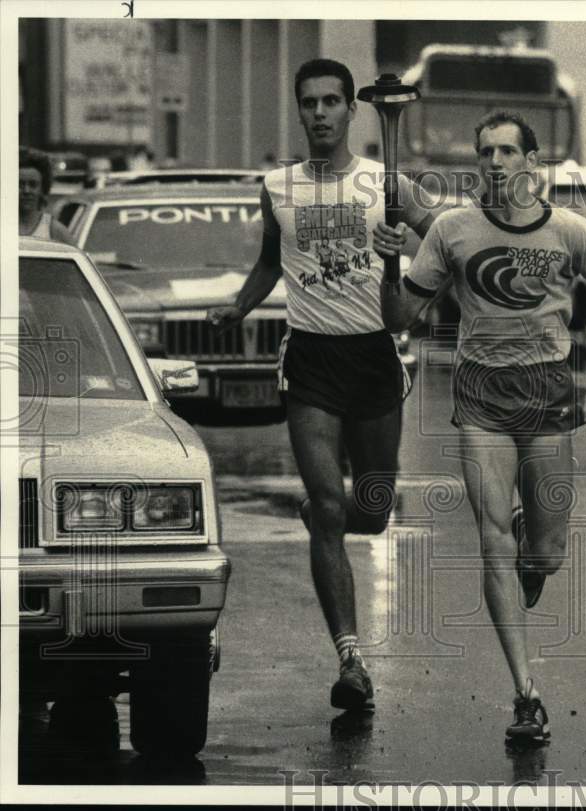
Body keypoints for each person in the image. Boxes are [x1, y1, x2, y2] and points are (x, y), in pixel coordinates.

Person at [377, 111, 586, 744]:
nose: (493, 162)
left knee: (545, 553)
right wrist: (388, 265)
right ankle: (526, 694)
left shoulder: (571, 231)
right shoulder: (450, 231)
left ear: (531, 161)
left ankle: (532, 535)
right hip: (482, 393)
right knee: (491, 542)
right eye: (484, 151)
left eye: (505, 151)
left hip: (548, 389)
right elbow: (403, 316)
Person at [206, 58, 435, 713]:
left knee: (372, 508)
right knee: (331, 509)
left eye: (333, 101)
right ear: (300, 109)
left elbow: (445, 242)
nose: (321, 113)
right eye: (310, 102)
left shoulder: (386, 183)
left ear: (352, 110)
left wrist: (409, 265)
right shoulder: (277, 187)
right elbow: (268, 262)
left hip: (373, 358)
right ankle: (351, 657)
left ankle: (326, 516)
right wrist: (239, 306)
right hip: (309, 362)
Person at [19, 149, 73, 243]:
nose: (26, 191)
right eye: (20, 185)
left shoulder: (55, 231)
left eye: (33, 185)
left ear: (42, 189)